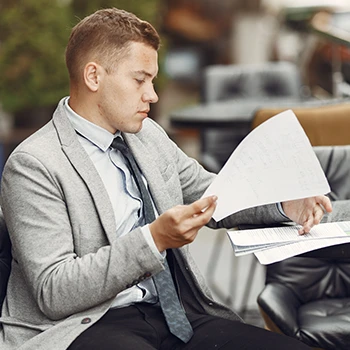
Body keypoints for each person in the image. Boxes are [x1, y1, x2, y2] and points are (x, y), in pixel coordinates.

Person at [0, 7, 333, 350]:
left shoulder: (148, 136)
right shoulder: (34, 164)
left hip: (174, 313)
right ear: (94, 77)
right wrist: (153, 240)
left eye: (153, 81)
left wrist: (283, 204)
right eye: (140, 79)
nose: (152, 95)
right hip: (84, 325)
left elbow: (211, 194)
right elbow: (54, 291)